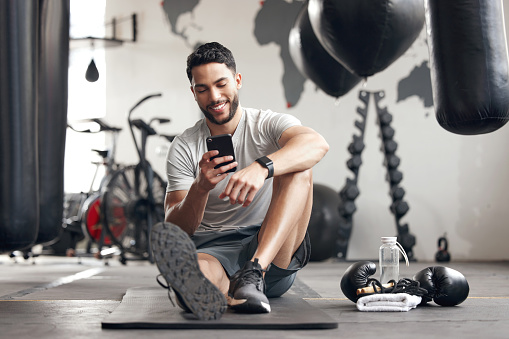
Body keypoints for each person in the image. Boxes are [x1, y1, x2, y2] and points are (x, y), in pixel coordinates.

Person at [151, 42, 329, 320]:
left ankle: (251, 275)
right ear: (194, 93)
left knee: (298, 166)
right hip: (212, 249)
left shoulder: (267, 124)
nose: (214, 96)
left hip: (269, 247)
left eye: (221, 84)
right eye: (203, 89)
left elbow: (316, 144)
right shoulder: (185, 146)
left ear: (237, 80)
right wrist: (200, 188)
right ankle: (215, 291)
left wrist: (263, 167)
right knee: (193, 275)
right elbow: (175, 228)